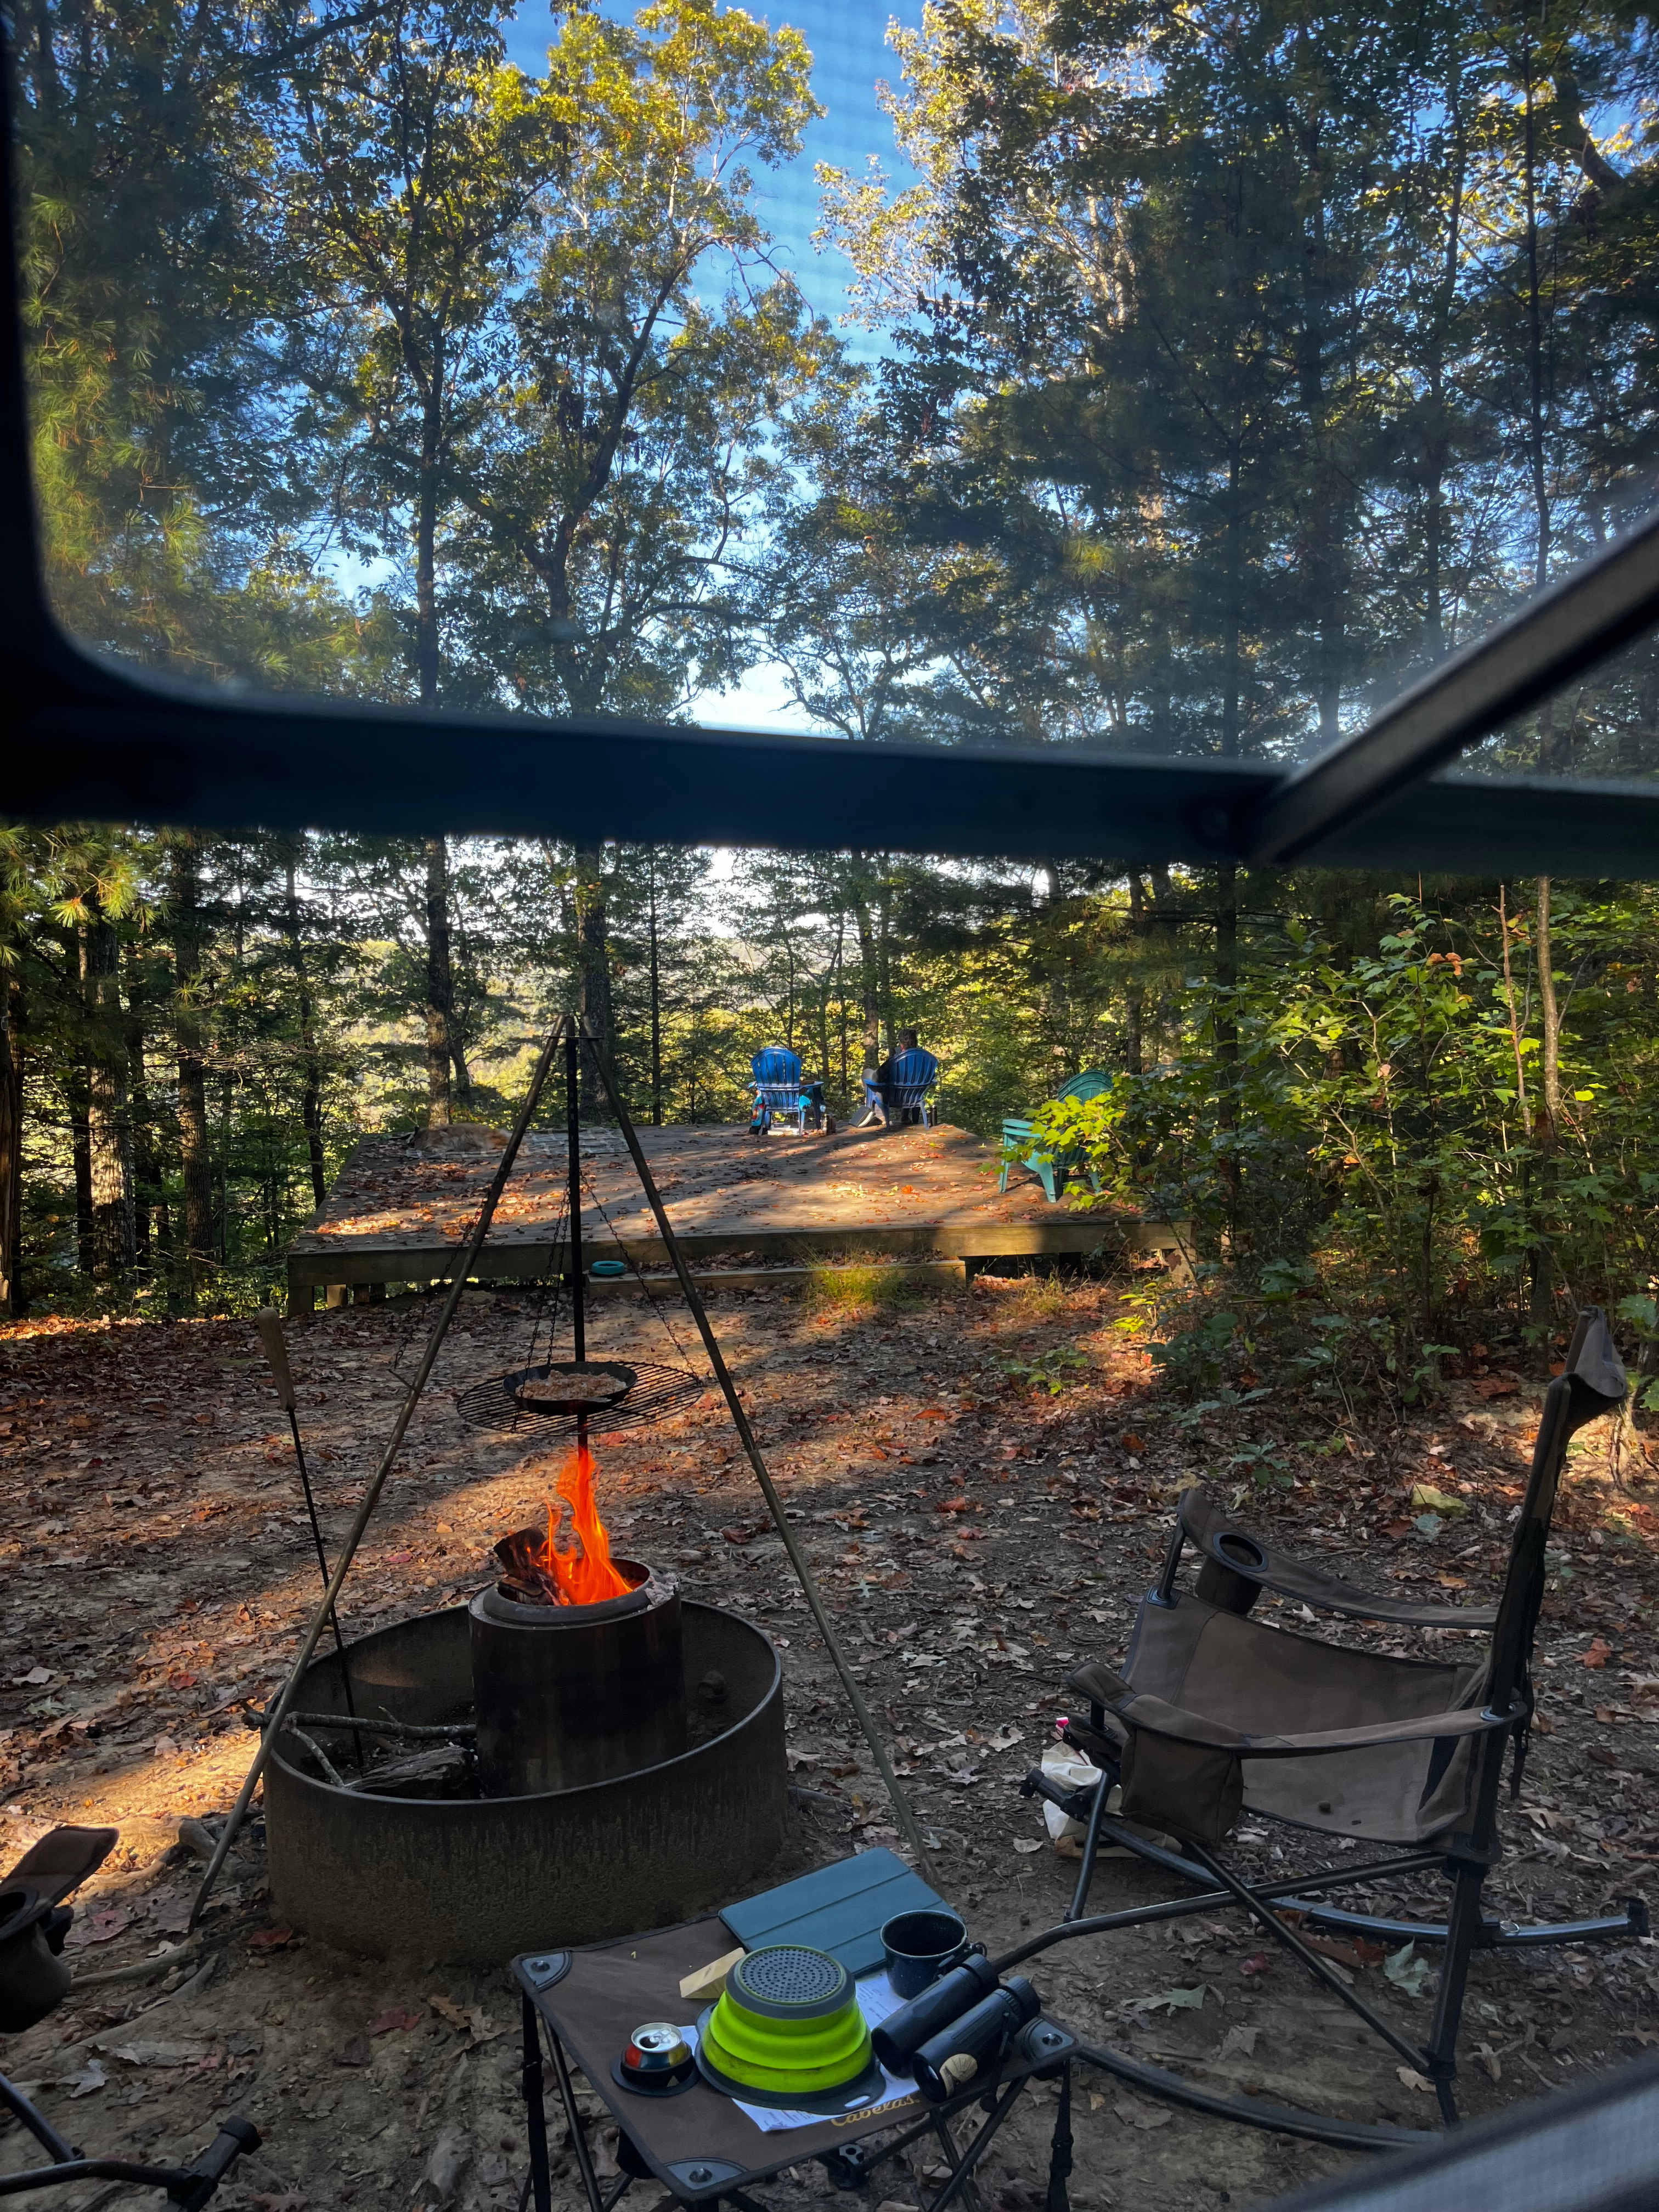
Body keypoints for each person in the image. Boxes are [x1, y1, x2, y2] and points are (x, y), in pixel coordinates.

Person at [854, 1029, 936, 1127]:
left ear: (901, 1045)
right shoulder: (926, 1060)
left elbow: (877, 1079)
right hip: (915, 1097)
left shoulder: (895, 1060)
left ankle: (871, 1113)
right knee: (909, 1081)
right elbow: (931, 1078)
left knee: (867, 1073)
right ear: (916, 1042)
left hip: (893, 1098)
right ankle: (905, 1117)